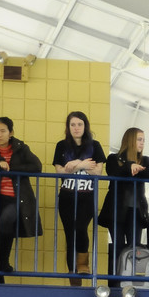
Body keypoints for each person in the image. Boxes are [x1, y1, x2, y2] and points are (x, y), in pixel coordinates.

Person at [0, 117, 43, 283]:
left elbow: (37, 166)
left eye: (3, 131)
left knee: (5, 223)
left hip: (15, 200)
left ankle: (4, 262)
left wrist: (11, 168)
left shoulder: (21, 148)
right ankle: (0, 278)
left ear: (10, 133)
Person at [100, 127, 149, 284]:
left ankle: (132, 282)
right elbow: (113, 172)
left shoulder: (144, 160)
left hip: (136, 212)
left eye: (143, 140)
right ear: (130, 140)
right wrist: (129, 166)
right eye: (139, 139)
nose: (142, 143)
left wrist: (137, 168)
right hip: (116, 210)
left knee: (134, 247)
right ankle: (116, 283)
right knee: (118, 246)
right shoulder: (114, 158)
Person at [52, 111, 105, 286]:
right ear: (68, 127)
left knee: (81, 228)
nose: (76, 128)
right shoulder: (61, 146)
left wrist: (73, 165)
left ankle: (83, 265)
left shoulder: (95, 145)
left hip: (87, 197)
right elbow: (60, 172)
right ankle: (73, 276)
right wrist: (82, 164)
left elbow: (98, 171)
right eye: (73, 124)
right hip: (67, 197)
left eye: (79, 124)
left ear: (85, 126)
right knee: (70, 234)